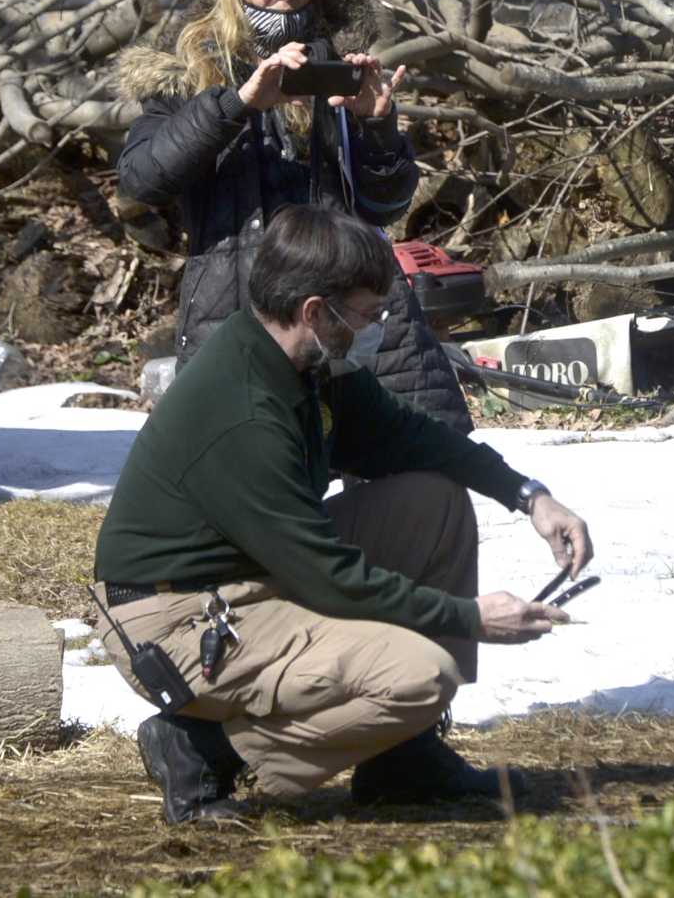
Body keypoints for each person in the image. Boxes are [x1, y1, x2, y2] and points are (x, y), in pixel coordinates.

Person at [90, 203, 594, 822]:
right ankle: (203, 749)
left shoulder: (304, 365)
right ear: (313, 311)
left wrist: (529, 496)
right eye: (363, 313)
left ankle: (402, 758)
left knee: (431, 503)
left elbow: (412, 436)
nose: (373, 326)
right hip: (177, 619)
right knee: (418, 675)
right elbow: (326, 577)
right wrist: (469, 618)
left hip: (255, 572)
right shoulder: (246, 415)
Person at [117, 0, 471, 428]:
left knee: (414, 456)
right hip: (238, 301)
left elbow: (385, 205)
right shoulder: (187, 70)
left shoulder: (334, 58)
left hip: (350, 291)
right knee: (254, 468)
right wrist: (238, 105)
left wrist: (376, 126)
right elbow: (142, 179)